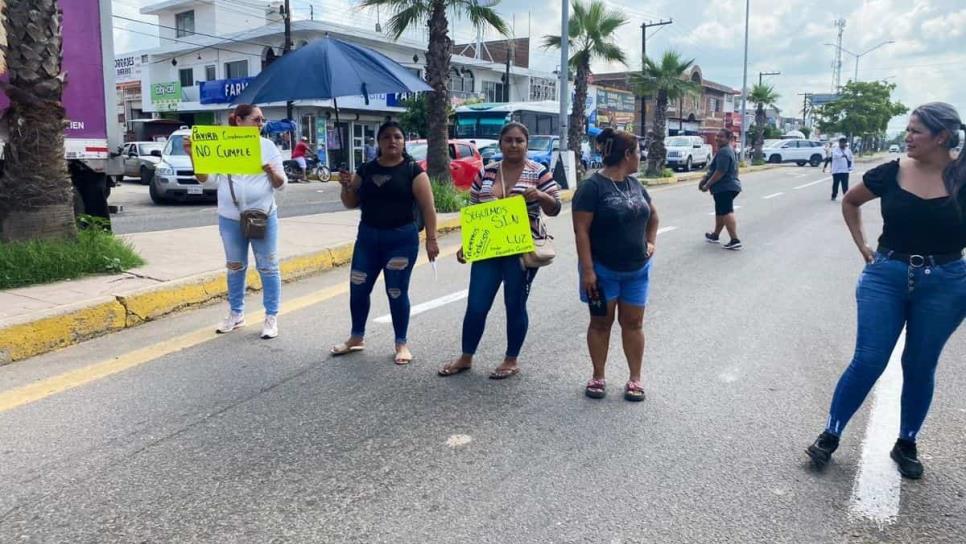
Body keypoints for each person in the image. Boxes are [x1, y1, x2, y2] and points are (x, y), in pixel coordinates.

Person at [806, 102, 966, 480]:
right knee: (869, 359)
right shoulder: (892, 172)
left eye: (915, 131)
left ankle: (906, 441)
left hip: (945, 281)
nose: (907, 137)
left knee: (920, 364)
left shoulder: (963, 176)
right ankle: (830, 434)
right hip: (887, 276)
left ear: (941, 137)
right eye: (907, 130)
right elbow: (851, 201)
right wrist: (863, 247)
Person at [438, 122, 562, 379]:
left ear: (526, 144)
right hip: (488, 249)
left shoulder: (538, 172)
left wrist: (539, 194)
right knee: (476, 305)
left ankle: (511, 359)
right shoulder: (487, 173)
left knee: (514, 304)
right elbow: (474, 213)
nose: (514, 145)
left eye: (519, 140)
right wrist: (466, 245)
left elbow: (555, 207)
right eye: (509, 140)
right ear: (500, 143)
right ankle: (466, 356)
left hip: (520, 252)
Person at [331, 121, 439, 365]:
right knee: (358, 287)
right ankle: (356, 337)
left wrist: (431, 239)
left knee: (396, 291)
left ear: (403, 142)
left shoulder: (414, 171)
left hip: (401, 240)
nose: (393, 141)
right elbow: (350, 202)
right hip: (368, 240)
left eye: (398, 137)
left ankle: (401, 342)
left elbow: (428, 209)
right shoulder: (366, 169)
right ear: (378, 143)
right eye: (387, 137)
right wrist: (347, 186)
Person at [186, 103, 287, 339]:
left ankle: (271, 316)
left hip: (262, 216)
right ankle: (236, 313)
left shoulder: (267, 147)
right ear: (239, 121)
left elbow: (281, 185)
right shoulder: (224, 144)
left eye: (262, 121)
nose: (260, 124)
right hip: (231, 218)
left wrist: (271, 172)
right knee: (235, 267)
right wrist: (194, 156)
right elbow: (206, 180)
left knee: (268, 267)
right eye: (256, 119)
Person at [573, 128, 659, 401]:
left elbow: (653, 216)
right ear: (627, 154)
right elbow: (581, 231)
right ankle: (598, 375)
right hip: (602, 271)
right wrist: (588, 271)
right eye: (638, 152)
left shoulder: (636, 185)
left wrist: (650, 242)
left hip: (637, 271)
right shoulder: (592, 188)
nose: (640, 157)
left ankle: (635, 378)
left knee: (633, 324)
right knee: (600, 323)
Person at [700, 129, 743, 250]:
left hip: (725, 187)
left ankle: (735, 239)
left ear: (729, 139)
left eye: (721, 137)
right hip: (725, 187)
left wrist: (707, 184)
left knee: (726, 211)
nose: (717, 138)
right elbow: (714, 170)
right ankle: (715, 235)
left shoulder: (724, 152)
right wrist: (705, 179)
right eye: (717, 136)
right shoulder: (727, 150)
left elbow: (720, 172)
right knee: (720, 211)